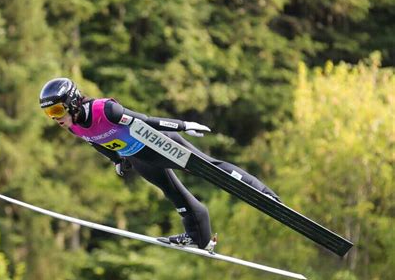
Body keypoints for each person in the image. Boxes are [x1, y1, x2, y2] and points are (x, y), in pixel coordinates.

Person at [39, 77, 280, 251]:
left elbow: (147, 121)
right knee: (173, 193)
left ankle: (265, 194)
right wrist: (117, 160)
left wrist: (184, 126)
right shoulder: (73, 126)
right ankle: (200, 237)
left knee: (210, 168)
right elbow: (97, 142)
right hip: (138, 157)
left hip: (158, 144)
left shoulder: (106, 109)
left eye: (57, 110)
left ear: (72, 102)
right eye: (50, 114)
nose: (56, 118)